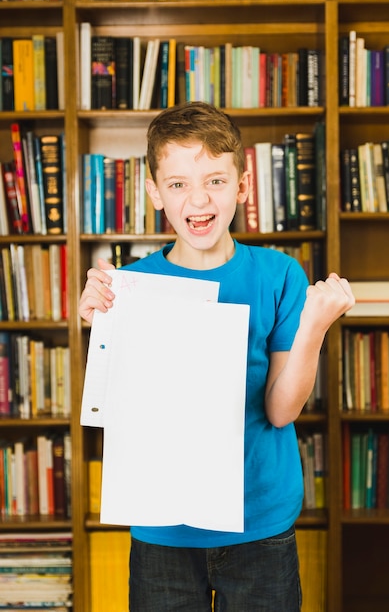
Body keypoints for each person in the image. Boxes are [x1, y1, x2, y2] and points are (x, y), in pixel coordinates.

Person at [79, 101, 355, 611]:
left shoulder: (279, 276)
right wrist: (100, 326)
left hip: (259, 525)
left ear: (243, 187)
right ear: (154, 191)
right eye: (179, 183)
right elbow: (115, 409)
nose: (198, 199)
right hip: (163, 527)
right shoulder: (131, 286)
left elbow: (280, 410)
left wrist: (312, 330)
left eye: (216, 180)